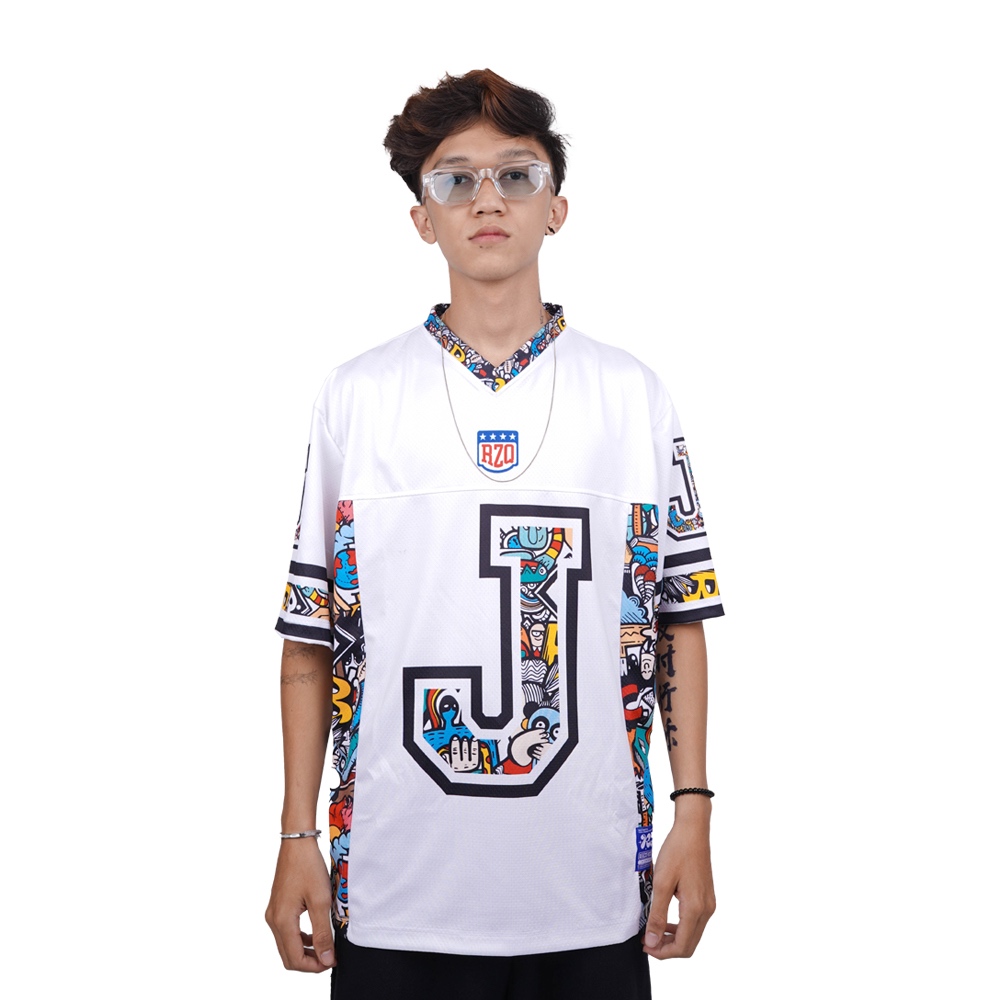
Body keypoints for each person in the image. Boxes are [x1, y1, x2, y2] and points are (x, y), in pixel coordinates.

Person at [264, 69, 724, 1000]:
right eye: (455, 179)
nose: (487, 199)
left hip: (593, 890)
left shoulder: (632, 396)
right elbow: (312, 634)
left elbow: (678, 616)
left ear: (557, 207)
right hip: (395, 890)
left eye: (516, 175)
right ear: (421, 218)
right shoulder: (356, 398)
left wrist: (695, 815)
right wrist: (295, 834)